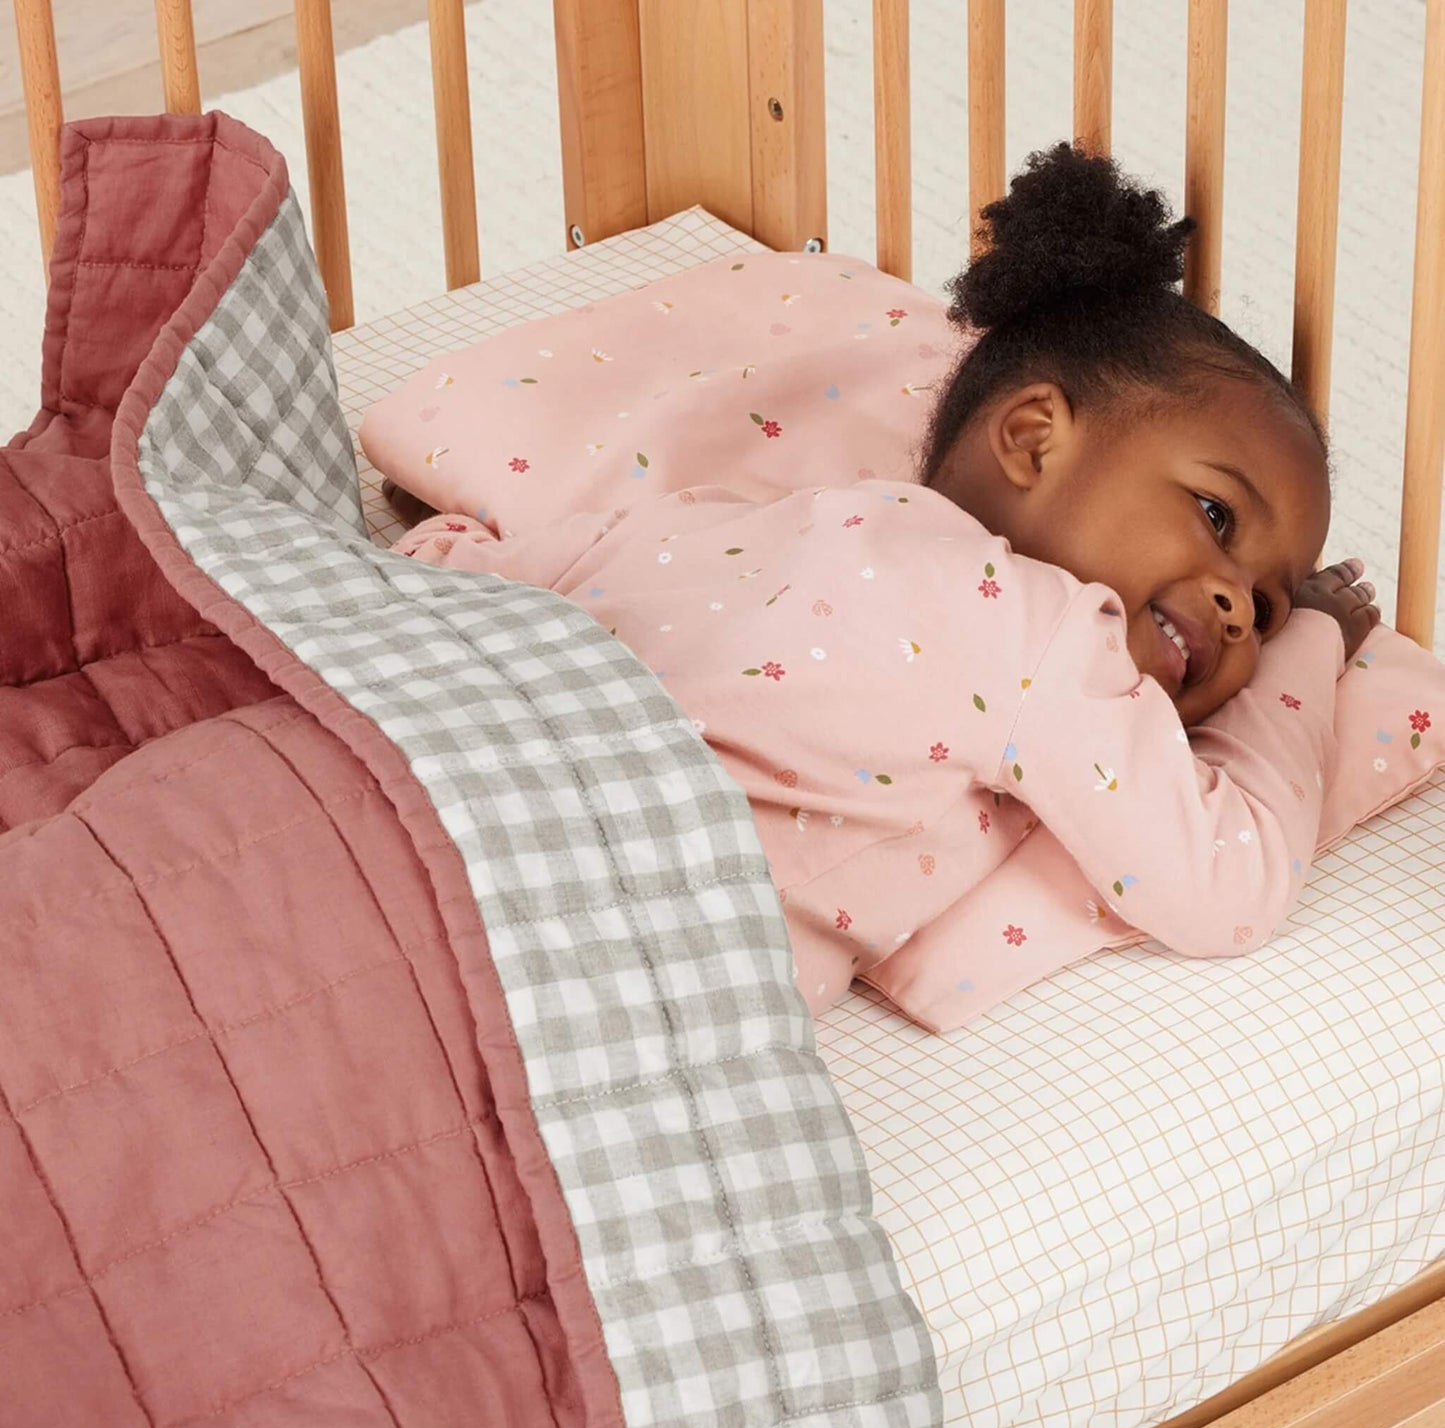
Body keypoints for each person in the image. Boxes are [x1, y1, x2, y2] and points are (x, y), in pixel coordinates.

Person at [390, 144, 1379, 1014]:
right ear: (1033, 437)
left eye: (1263, 605)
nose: (1232, 605)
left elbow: (496, 576)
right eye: (1214, 515)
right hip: (585, 949)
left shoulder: (794, 518)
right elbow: (1225, 884)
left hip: (434, 804)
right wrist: (1312, 642)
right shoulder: (1044, 639)